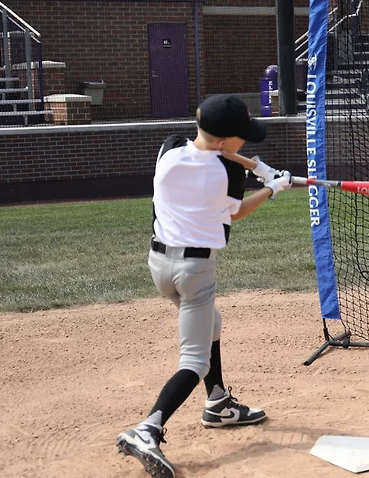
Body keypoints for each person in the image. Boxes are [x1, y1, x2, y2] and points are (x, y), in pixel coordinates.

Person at [116, 94, 291, 478]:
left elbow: (218, 153)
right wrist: (273, 187)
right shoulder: (225, 175)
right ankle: (148, 428)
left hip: (160, 265)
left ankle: (218, 403)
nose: (245, 144)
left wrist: (259, 166)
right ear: (227, 141)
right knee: (194, 360)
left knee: (213, 323)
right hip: (195, 271)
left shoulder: (171, 148)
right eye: (242, 139)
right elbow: (238, 211)